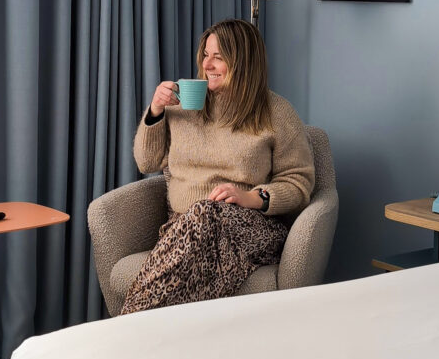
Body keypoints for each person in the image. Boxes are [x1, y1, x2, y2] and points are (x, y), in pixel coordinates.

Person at [120, 18, 315, 315]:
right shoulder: (181, 104)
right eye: (205, 55)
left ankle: (127, 323)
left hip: (249, 228)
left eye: (218, 57)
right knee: (202, 215)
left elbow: (299, 182)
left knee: (206, 211)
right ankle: (149, 329)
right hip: (183, 229)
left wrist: (253, 197)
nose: (207, 64)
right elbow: (147, 162)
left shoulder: (277, 112)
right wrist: (156, 110)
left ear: (243, 61)